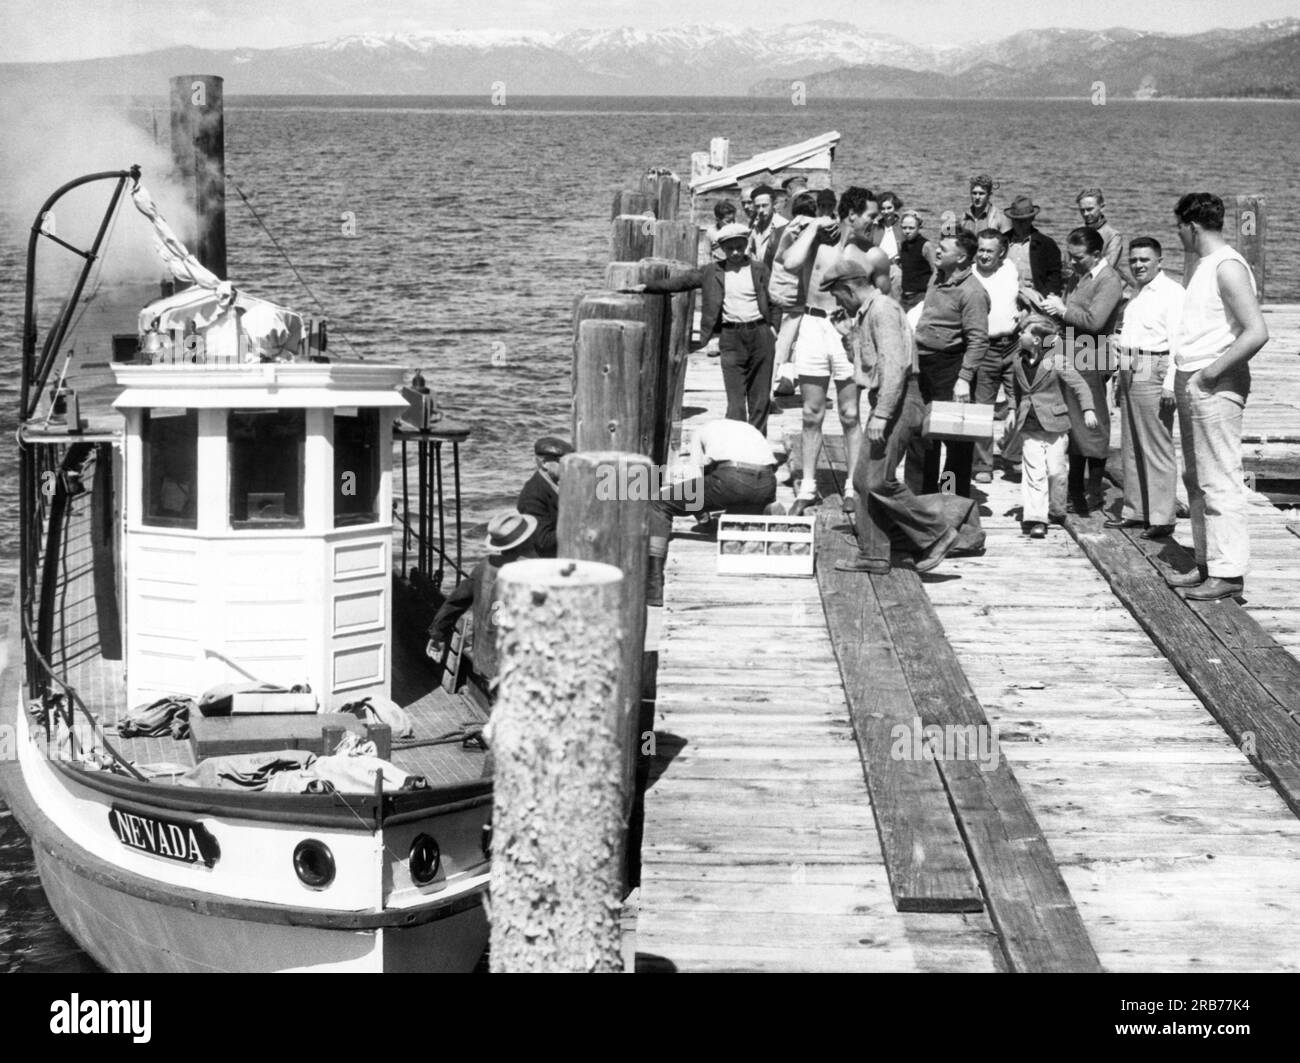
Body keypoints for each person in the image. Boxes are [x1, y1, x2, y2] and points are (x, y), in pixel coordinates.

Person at [821, 258, 960, 574]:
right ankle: (874, 553)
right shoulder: (870, 312)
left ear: (847, 287)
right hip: (890, 399)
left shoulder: (882, 310)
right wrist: (849, 337)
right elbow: (872, 363)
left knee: (877, 479)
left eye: (836, 294)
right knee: (863, 479)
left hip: (898, 402)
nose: (836, 301)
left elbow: (895, 366)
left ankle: (936, 533)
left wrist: (882, 414)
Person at [1164, 192, 1269, 600]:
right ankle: (1208, 562)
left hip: (1216, 380)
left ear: (1191, 225)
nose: (1177, 234)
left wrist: (1208, 375)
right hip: (1194, 376)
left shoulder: (1227, 267)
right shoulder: (1204, 266)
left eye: (1178, 226)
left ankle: (1229, 573)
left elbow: (1256, 331)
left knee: (1220, 476)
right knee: (1197, 478)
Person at [635, 223, 777, 433]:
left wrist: (774, 327)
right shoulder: (712, 272)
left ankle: (757, 447)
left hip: (761, 334)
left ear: (746, 244)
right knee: (736, 400)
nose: (736, 253)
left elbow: (775, 300)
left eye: (740, 247)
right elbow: (682, 282)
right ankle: (736, 448)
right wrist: (648, 287)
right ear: (721, 249)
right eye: (730, 249)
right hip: (731, 337)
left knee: (760, 398)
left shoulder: (760, 269)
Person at [779, 188, 867, 515]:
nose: (825, 216)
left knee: (850, 414)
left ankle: (851, 487)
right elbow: (789, 263)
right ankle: (809, 485)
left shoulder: (857, 245)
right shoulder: (811, 237)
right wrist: (813, 228)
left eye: (829, 210)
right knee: (810, 412)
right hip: (813, 324)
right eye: (819, 210)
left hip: (844, 326)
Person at [646, 417, 778, 605]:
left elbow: (694, 482)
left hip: (731, 478)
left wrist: (703, 518)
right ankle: (765, 508)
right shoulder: (748, 429)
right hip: (767, 482)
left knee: (658, 503)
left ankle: (653, 583)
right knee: (736, 509)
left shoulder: (700, 431)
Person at [1040, 226, 1123, 514]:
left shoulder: (1109, 280)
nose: (1071, 263)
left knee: (1094, 422)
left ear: (1097, 254)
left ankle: (1094, 492)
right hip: (1070, 351)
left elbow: (1095, 321)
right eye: (1069, 257)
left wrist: (1061, 310)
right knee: (1073, 421)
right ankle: (1075, 489)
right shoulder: (1079, 276)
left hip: (1092, 353)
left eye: (1077, 258)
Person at [1106, 236, 1184, 539]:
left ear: (1159, 262)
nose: (1138, 265)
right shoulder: (1137, 294)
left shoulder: (1172, 293)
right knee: (1131, 443)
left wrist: (1170, 384)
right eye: (1134, 260)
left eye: (1144, 260)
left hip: (1154, 366)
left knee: (1156, 444)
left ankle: (1162, 517)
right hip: (1128, 366)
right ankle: (1136, 510)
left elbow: (1179, 342)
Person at [905, 229, 990, 500]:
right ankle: (919, 497)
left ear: (962, 257)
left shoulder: (972, 292)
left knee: (955, 441)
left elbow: (978, 340)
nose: (937, 251)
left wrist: (964, 378)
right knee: (919, 435)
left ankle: (951, 498)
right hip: (923, 365)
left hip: (951, 368)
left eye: (944, 248)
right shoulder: (938, 276)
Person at [1001, 317, 1097, 538]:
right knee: (1034, 473)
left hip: (1055, 423)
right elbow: (1014, 388)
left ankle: (1056, 510)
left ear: (1035, 339)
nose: (1018, 335)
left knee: (1056, 472)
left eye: (1022, 332)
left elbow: (1079, 385)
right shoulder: (1018, 360)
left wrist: (1088, 410)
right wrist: (1012, 410)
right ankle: (1037, 518)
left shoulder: (1056, 360)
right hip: (1030, 424)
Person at [426, 511, 538, 679]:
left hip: (485, 660)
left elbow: (455, 602)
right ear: (528, 540)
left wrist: (438, 634)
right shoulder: (533, 573)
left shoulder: (484, 566)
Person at [971, 228, 1022, 485]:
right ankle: (982, 464)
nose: (983, 255)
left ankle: (1012, 455)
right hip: (984, 348)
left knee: (1021, 403)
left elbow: (1018, 296)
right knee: (982, 409)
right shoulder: (970, 274)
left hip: (1013, 344)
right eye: (980, 249)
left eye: (989, 251)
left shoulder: (1010, 268)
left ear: (1001, 252)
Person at [768, 190, 819, 388]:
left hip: (778, 293)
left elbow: (770, 257)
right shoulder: (813, 231)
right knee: (793, 346)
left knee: (778, 345)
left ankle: (781, 384)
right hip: (799, 298)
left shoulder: (780, 230)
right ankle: (782, 385)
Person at [516, 435, 573, 558]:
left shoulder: (561, 484)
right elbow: (544, 542)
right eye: (563, 462)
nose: (569, 466)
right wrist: (577, 525)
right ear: (544, 463)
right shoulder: (532, 496)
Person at [1004, 194, 1063, 298]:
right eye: (1017, 220)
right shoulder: (1002, 241)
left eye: (1024, 220)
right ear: (1011, 219)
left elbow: (1054, 276)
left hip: (1035, 299)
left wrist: (1047, 297)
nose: (1020, 224)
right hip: (1005, 297)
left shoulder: (1046, 244)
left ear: (1032, 218)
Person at [1076, 187, 1136, 290]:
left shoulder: (1113, 236)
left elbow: (1107, 268)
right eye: (1082, 210)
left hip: (1101, 288)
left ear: (1102, 207)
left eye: (1090, 209)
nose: (1086, 214)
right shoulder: (1078, 233)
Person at [896, 209, 937, 312]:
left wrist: (931, 293)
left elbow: (936, 271)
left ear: (919, 228)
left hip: (921, 295)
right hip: (905, 296)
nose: (907, 231)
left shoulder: (926, 245)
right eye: (904, 228)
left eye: (911, 228)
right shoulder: (902, 245)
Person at [747, 184, 788, 269]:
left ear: (774, 204)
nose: (761, 210)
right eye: (757, 207)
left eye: (765, 205)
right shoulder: (754, 226)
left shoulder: (784, 226)